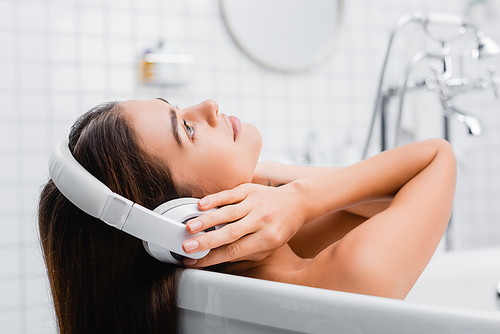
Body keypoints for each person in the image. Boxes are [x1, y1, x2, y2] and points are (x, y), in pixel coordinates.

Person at [38, 98, 456, 334]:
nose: (209, 107)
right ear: (185, 223)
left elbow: (385, 203)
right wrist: (300, 196)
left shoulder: (236, 280)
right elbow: (435, 158)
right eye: (186, 129)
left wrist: (284, 195)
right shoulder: (347, 278)